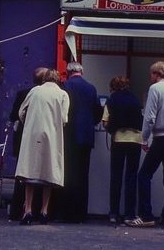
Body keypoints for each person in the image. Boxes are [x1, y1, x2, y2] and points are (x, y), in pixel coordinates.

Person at [128, 60, 164, 228]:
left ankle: (146, 215)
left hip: (161, 137)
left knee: (144, 175)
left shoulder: (155, 89)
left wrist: (144, 139)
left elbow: (150, 117)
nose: (150, 77)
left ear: (156, 74)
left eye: (151, 74)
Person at [16, 69, 70, 225]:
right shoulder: (62, 95)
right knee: (48, 175)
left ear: (44, 79)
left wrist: (30, 121)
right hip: (52, 137)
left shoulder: (35, 91)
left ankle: (27, 211)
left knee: (29, 174)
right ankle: (44, 211)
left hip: (32, 135)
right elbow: (64, 118)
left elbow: (21, 112)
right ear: (58, 80)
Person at [60, 61, 103, 223]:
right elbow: (98, 112)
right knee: (83, 175)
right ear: (82, 72)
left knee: (68, 175)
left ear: (68, 72)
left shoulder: (65, 87)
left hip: (69, 136)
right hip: (86, 137)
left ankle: (67, 213)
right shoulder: (91, 88)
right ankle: (80, 213)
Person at [8, 67, 48, 221]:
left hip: (23, 139)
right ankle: (37, 209)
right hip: (41, 139)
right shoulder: (49, 95)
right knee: (41, 175)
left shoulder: (23, 93)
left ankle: (17, 210)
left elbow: (14, 115)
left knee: (22, 175)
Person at [103, 75, 143, 225]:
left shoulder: (111, 100)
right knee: (131, 177)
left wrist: (112, 130)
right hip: (135, 141)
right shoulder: (135, 99)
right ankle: (129, 214)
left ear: (113, 86)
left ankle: (114, 213)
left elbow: (105, 122)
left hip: (119, 140)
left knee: (116, 177)